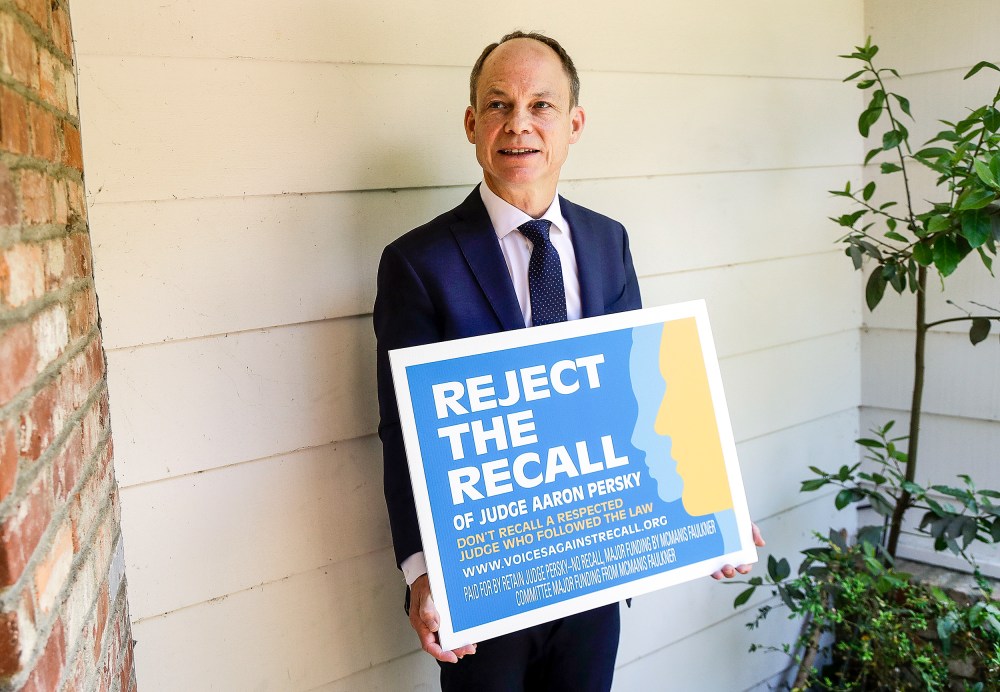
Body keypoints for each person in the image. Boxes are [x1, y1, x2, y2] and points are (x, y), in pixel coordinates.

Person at [373, 30, 763, 691]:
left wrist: (710, 511)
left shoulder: (608, 242)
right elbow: (400, 429)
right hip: (486, 579)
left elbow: (643, 392)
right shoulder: (418, 262)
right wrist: (420, 571)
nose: (518, 124)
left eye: (541, 105)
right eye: (498, 105)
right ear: (471, 124)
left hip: (596, 568)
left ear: (574, 124)